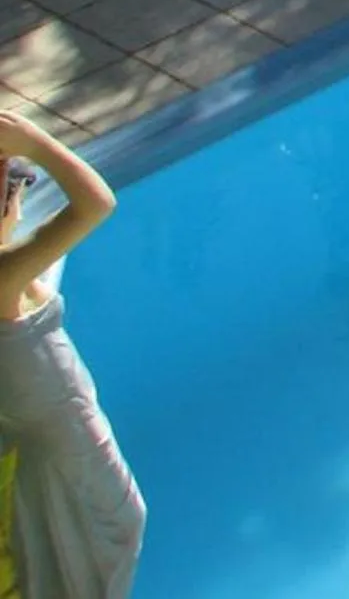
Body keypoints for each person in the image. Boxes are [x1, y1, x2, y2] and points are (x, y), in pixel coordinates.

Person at [0, 112, 142, 599]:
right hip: (61, 438)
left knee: (76, 554)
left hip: (48, 433)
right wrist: (34, 141)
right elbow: (96, 203)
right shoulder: (4, 277)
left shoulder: (11, 263)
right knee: (113, 534)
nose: (21, 200)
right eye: (18, 191)